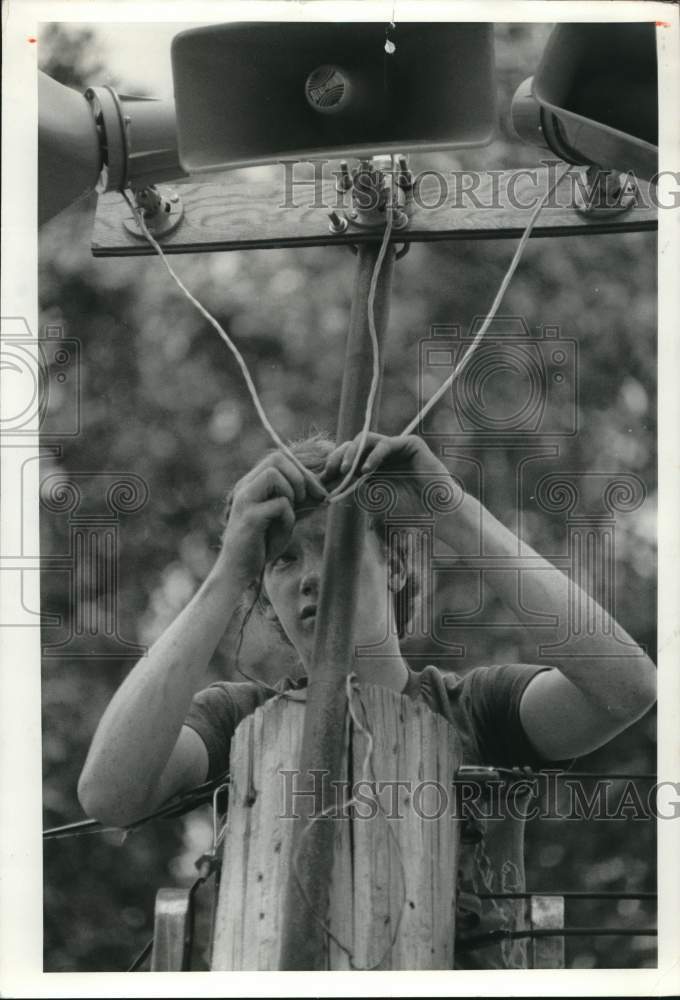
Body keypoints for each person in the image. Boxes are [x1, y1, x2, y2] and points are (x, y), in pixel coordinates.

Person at [78, 432, 656, 969]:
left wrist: (448, 509)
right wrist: (230, 569)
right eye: (282, 559)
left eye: (335, 546)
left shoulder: (474, 709)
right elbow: (110, 793)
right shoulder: (238, 718)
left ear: (397, 565)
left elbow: (624, 689)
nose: (308, 577)